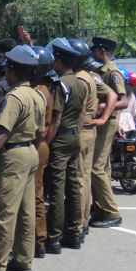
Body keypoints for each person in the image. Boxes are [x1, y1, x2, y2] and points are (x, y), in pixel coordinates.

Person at [0, 47, 45, 271]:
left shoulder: (14, 97)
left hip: (14, 154)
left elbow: (1, 134)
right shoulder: (38, 95)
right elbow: (40, 133)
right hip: (30, 152)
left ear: (13, 73)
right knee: (26, 211)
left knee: (5, 212)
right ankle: (23, 259)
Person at [69, 39, 117, 237]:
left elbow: (117, 97)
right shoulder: (93, 76)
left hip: (90, 127)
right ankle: (87, 217)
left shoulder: (92, 75)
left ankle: (96, 217)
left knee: (89, 172)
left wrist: (104, 116)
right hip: (92, 126)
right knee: (88, 174)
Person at [44, 40, 86, 253]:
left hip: (60, 139)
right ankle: (73, 234)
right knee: (72, 186)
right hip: (74, 137)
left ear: (59, 62)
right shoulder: (81, 83)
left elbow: (56, 121)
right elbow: (81, 115)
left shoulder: (61, 84)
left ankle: (53, 238)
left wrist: (44, 145)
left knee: (57, 190)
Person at [90, 36, 129, 228]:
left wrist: (104, 105)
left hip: (107, 122)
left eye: (94, 50)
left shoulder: (113, 72)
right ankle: (100, 209)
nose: (91, 53)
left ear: (102, 52)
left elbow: (124, 101)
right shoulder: (100, 71)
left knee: (96, 168)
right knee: (102, 169)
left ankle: (112, 212)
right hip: (104, 121)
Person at [29, 46, 56, 258]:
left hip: (35, 146)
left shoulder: (38, 92)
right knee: (36, 194)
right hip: (40, 145)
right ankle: (37, 240)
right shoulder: (45, 89)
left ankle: (38, 240)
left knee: (35, 195)